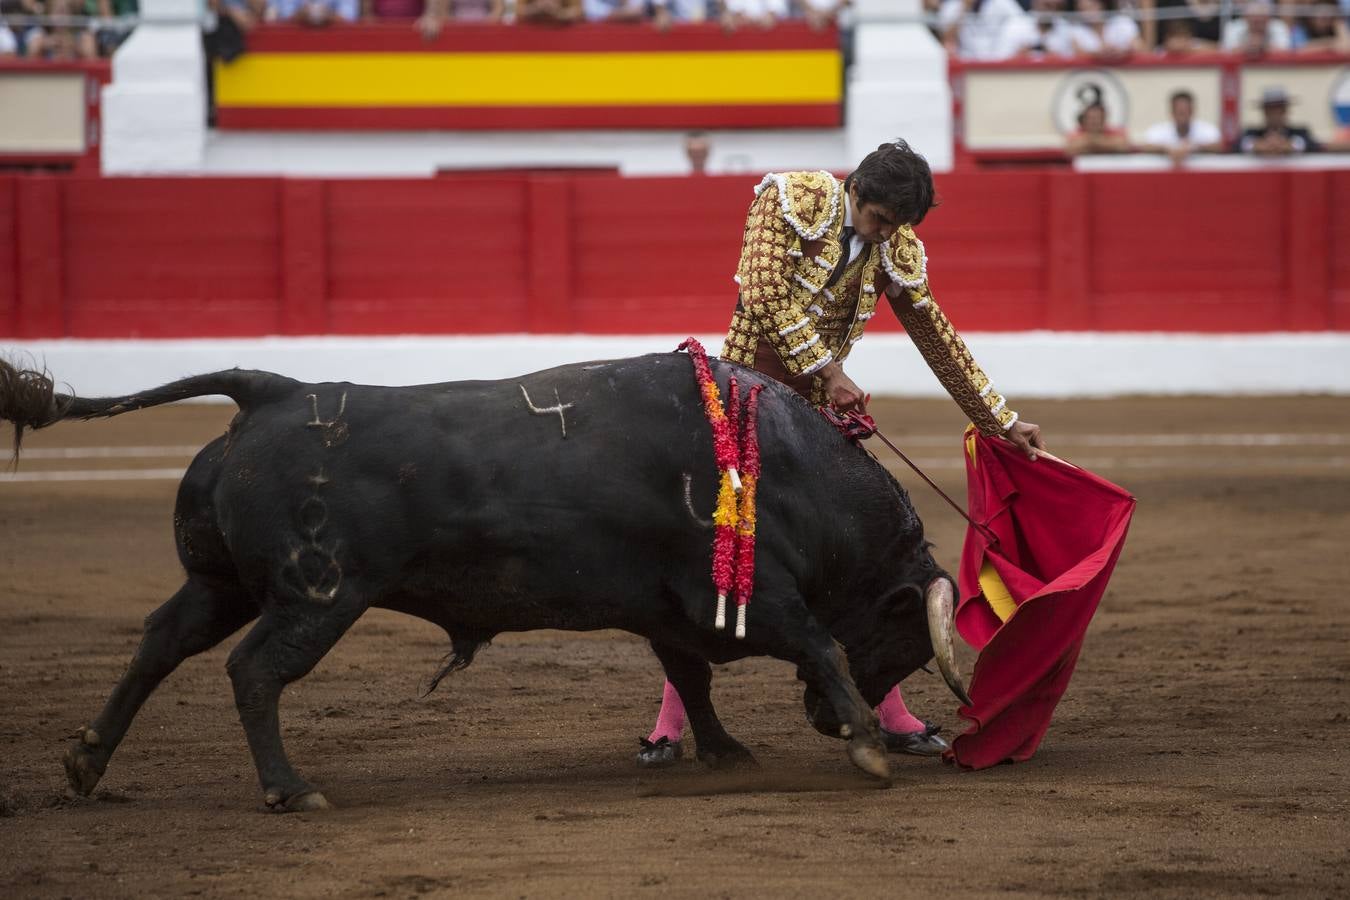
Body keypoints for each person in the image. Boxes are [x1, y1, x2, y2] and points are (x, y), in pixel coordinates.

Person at [637, 140, 1048, 768]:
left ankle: (891, 712)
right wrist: (828, 370)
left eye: (894, 226)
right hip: (742, 400)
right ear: (854, 187)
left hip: (812, 419)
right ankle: (670, 723)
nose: (883, 233)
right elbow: (766, 294)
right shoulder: (791, 199)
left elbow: (938, 337)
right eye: (878, 217)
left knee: (856, 558)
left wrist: (1001, 421)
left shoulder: (895, 247)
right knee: (720, 555)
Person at [1138, 89, 1224, 162]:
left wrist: (1193, 148)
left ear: (1192, 111)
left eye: (1185, 112)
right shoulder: (1159, 130)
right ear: (1172, 112)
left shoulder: (1206, 129)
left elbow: (1219, 146)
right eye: (1179, 112)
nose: (1182, 117)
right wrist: (1167, 149)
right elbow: (1146, 146)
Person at [1235, 86, 1322, 155]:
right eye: (1271, 109)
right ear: (1265, 111)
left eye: (1279, 109)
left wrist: (1290, 145)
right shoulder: (1251, 133)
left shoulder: (1300, 132)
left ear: (1285, 110)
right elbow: (1237, 145)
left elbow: (1312, 145)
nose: (1275, 113)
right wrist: (1256, 145)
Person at [1221, 0, 1292, 53]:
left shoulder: (1279, 27)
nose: (1257, 25)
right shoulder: (1234, 27)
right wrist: (1246, 48)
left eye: (1261, 21)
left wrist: (1263, 47)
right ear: (1246, 18)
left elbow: (1286, 51)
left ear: (1268, 18)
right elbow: (1226, 51)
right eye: (1254, 21)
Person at [1065, 101, 1131, 156]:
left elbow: (1123, 145)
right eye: (1091, 118)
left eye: (1098, 118)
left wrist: (1090, 143)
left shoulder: (1113, 131)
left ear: (1104, 119)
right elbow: (1069, 149)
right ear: (1084, 120)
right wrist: (1107, 145)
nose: (1094, 122)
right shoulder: (1077, 132)